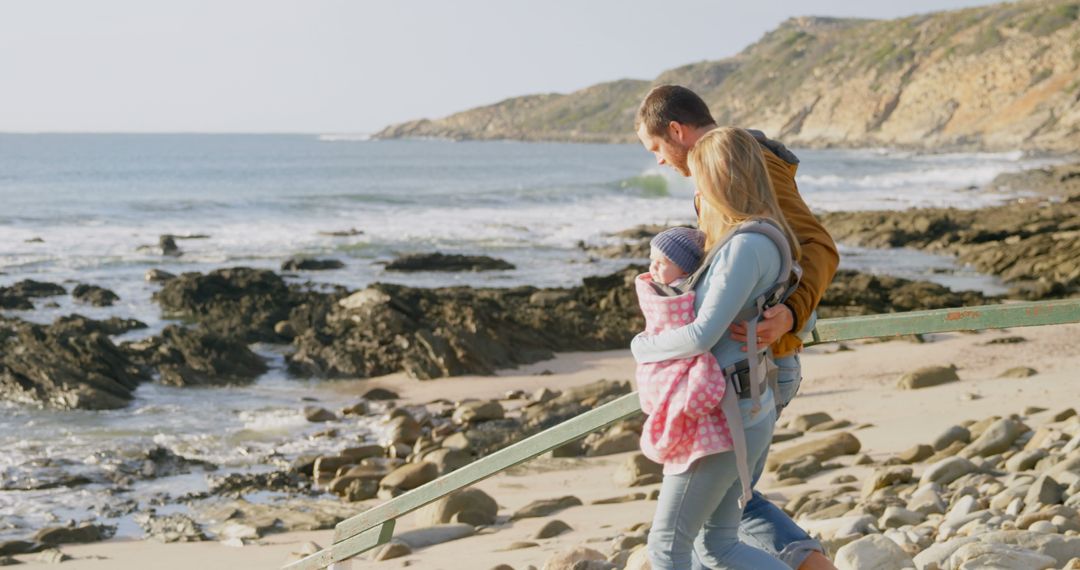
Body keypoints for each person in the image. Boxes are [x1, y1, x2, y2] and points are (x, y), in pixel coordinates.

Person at [635, 85, 839, 570]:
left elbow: (817, 247)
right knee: (720, 524)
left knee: (709, 522)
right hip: (749, 369)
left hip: (755, 368)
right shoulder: (730, 178)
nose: (660, 163)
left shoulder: (744, 166)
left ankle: (812, 564)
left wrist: (790, 313)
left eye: (656, 149)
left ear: (677, 132)